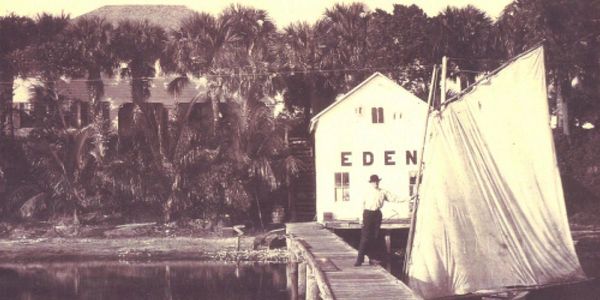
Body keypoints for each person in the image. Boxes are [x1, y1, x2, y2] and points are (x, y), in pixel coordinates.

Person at [354, 174, 404, 267]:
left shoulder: (383, 192)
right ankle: (359, 260)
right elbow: (361, 205)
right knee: (365, 238)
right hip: (368, 214)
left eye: (377, 181)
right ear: (371, 183)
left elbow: (395, 198)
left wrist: (409, 198)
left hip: (377, 214)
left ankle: (372, 259)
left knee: (375, 237)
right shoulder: (366, 192)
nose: (375, 183)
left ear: (378, 182)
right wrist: (361, 218)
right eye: (373, 182)